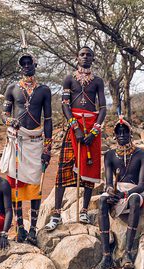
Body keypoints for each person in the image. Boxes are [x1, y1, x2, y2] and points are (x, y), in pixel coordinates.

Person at [45, 46, 106, 231]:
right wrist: (75, 127)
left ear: (93, 59)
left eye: (89, 55)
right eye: (82, 54)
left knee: (88, 167)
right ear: (76, 57)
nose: (85, 57)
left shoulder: (98, 81)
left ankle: (84, 211)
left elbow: (102, 108)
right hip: (74, 127)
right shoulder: (69, 79)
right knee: (64, 168)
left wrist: (94, 132)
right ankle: (56, 214)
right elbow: (65, 106)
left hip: (91, 128)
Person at [0, 52, 52, 245]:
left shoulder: (44, 90)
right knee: (16, 186)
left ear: (35, 65)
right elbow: (4, 115)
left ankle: (33, 229)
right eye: (24, 64)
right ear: (20, 67)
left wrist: (48, 147)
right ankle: (20, 228)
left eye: (30, 63)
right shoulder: (12, 88)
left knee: (35, 186)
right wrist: (9, 120)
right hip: (17, 140)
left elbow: (48, 120)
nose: (27, 66)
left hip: (36, 142)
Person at [89, 117, 144, 269]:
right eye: (118, 132)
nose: (122, 134)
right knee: (102, 200)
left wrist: (124, 194)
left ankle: (127, 254)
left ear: (131, 134)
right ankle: (106, 257)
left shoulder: (143, 154)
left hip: (133, 191)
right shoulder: (109, 155)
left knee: (135, 199)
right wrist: (111, 191)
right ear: (115, 135)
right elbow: (109, 183)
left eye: (125, 131)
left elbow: (142, 185)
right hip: (118, 191)